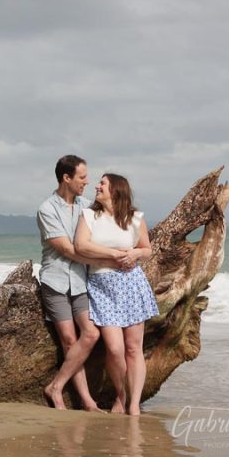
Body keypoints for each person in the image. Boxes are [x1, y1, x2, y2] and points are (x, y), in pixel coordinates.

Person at [37, 155, 127, 411]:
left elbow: (109, 222)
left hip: (80, 281)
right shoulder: (47, 209)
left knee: (90, 334)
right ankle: (84, 400)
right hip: (55, 281)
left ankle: (55, 385)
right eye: (82, 177)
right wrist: (110, 260)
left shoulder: (86, 206)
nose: (87, 182)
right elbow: (68, 249)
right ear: (66, 178)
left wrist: (132, 246)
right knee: (68, 339)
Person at [74, 173, 158, 415]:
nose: (97, 187)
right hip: (101, 286)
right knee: (114, 348)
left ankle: (132, 404)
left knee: (133, 348)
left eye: (103, 184)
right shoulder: (89, 216)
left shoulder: (135, 218)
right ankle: (120, 394)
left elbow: (147, 249)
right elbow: (81, 246)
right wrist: (114, 255)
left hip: (131, 284)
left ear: (116, 190)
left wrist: (134, 255)